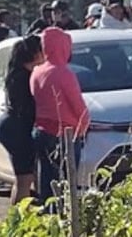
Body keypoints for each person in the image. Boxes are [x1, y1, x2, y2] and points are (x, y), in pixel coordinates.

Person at [30, 27, 89, 203]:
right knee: (66, 182)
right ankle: (64, 219)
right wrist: (84, 128)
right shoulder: (64, 73)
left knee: (46, 179)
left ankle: (49, 215)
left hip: (41, 130)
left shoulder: (37, 72)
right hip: (64, 134)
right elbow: (79, 106)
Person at [0, 35, 45, 204]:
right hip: (17, 128)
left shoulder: (16, 73)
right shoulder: (24, 78)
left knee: (21, 179)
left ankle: (15, 219)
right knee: (25, 180)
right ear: (34, 54)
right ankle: (17, 220)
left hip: (10, 125)